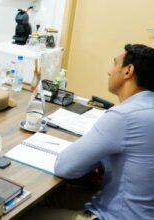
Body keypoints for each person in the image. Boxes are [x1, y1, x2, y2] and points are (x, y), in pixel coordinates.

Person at [24, 44, 154, 220]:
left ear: (128, 71)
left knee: (25, 213)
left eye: (115, 64)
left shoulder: (124, 116)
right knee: (50, 197)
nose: (109, 71)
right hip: (137, 209)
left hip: (118, 214)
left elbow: (64, 167)